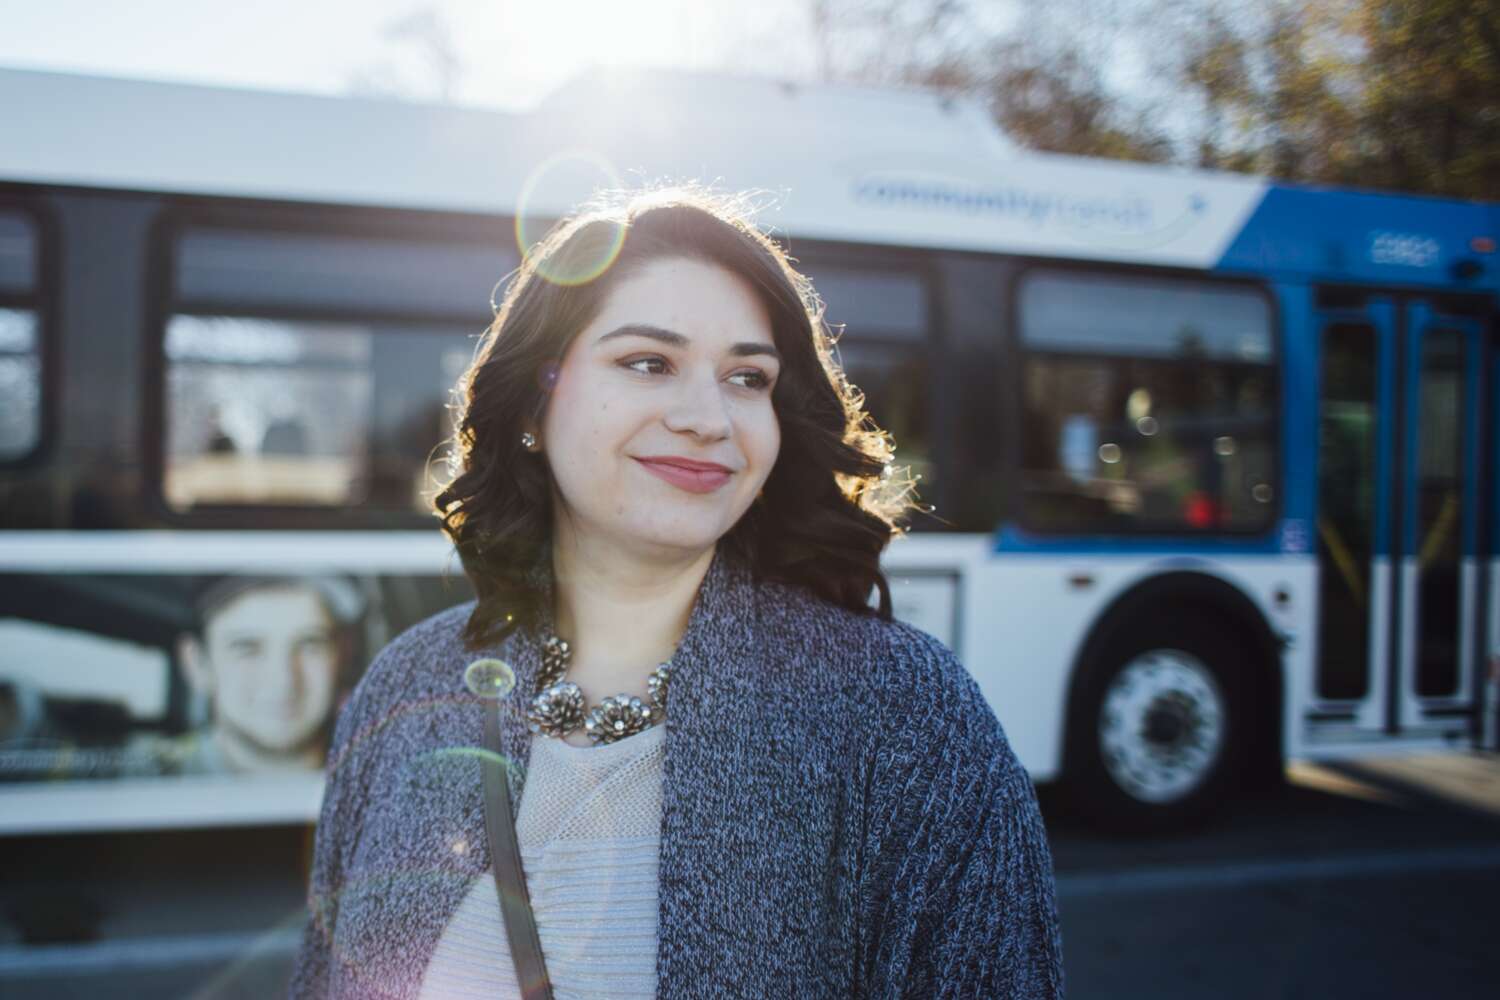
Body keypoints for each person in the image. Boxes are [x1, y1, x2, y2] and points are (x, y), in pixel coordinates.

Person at [288, 187, 1064, 998]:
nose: (708, 418)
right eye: (648, 363)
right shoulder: (408, 685)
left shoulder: (906, 716)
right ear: (534, 400)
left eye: (748, 377)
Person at [150, 575, 364, 775]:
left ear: (343, 657)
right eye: (247, 648)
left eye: (310, 643)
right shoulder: (148, 777)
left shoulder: (376, 776)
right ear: (197, 664)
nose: (283, 680)